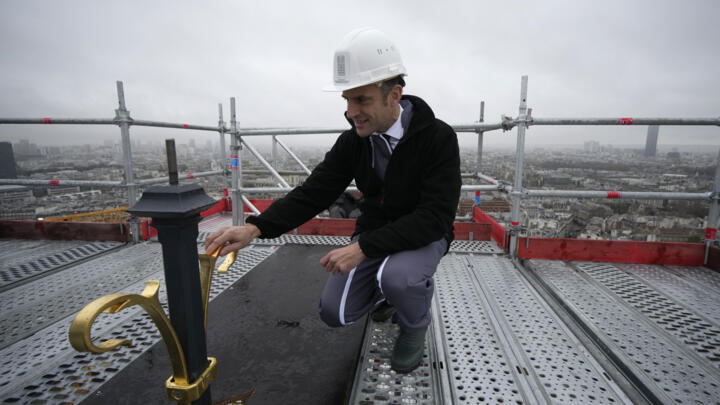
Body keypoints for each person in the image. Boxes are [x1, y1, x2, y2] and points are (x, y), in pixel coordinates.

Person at [205, 27, 461, 374]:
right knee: (335, 313)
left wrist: (363, 248)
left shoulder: (437, 138)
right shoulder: (354, 142)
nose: (350, 111)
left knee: (399, 277)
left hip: (423, 236)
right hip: (376, 234)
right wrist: (255, 228)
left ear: (394, 95)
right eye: (347, 100)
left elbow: (433, 217)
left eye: (362, 100)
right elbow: (315, 191)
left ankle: (414, 325)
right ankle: (389, 296)